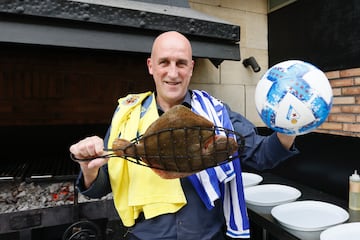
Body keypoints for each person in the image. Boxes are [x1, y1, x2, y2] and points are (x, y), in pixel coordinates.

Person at [69, 31, 298, 240]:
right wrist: (89, 170)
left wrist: (292, 125)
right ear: (150, 66)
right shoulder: (127, 116)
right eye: (164, 62)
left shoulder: (217, 113)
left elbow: (263, 154)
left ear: (191, 67)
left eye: (181, 63)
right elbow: (101, 187)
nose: (173, 73)